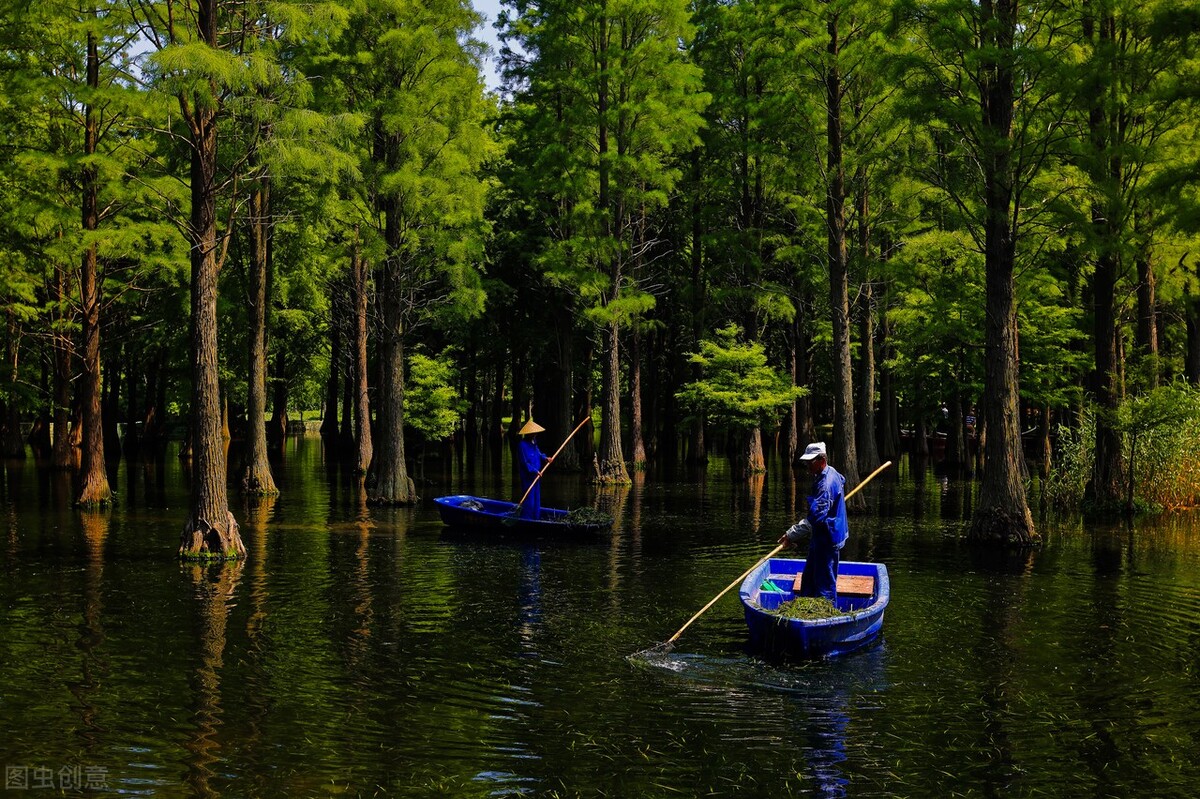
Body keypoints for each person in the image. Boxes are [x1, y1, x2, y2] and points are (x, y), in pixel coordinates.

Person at [778, 442, 849, 601]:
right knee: (809, 577)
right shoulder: (831, 473)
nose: (808, 466)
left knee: (825, 582)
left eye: (811, 462)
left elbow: (814, 519)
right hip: (821, 535)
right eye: (806, 462)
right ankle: (805, 604)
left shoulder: (825, 484)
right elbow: (842, 480)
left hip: (829, 537)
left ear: (821, 460)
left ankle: (826, 614)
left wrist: (791, 535)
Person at [516, 418, 551, 520]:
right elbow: (525, 463)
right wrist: (535, 471)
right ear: (528, 433)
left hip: (537, 476)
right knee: (529, 500)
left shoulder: (534, 442)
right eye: (533, 433)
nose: (535, 434)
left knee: (536, 499)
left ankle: (536, 517)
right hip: (528, 477)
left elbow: (538, 453)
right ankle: (527, 519)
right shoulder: (522, 445)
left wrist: (545, 458)